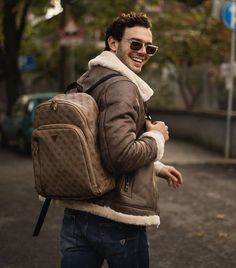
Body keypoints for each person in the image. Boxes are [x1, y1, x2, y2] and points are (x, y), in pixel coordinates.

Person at [59, 12, 183, 268]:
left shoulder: (87, 80)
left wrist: (156, 167)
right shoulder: (122, 86)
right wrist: (156, 137)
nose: (143, 52)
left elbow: (99, 144)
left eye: (149, 47)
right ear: (113, 43)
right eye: (135, 44)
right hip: (116, 218)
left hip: (76, 213)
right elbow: (119, 156)